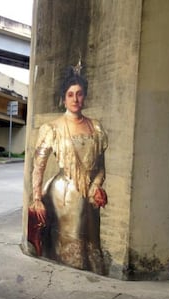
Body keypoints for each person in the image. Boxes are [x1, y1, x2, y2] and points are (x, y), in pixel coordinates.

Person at [28, 61, 108, 275]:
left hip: (89, 194)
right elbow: (38, 166)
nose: (75, 99)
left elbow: (100, 166)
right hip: (64, 194)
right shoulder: (52, 128)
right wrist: (36, 198)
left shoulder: (96, 127)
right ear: (63, 98)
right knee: (69, 238)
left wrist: (96, 187)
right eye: (70, 94)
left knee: (91, 239)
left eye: (79, 94)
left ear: (85, 96)